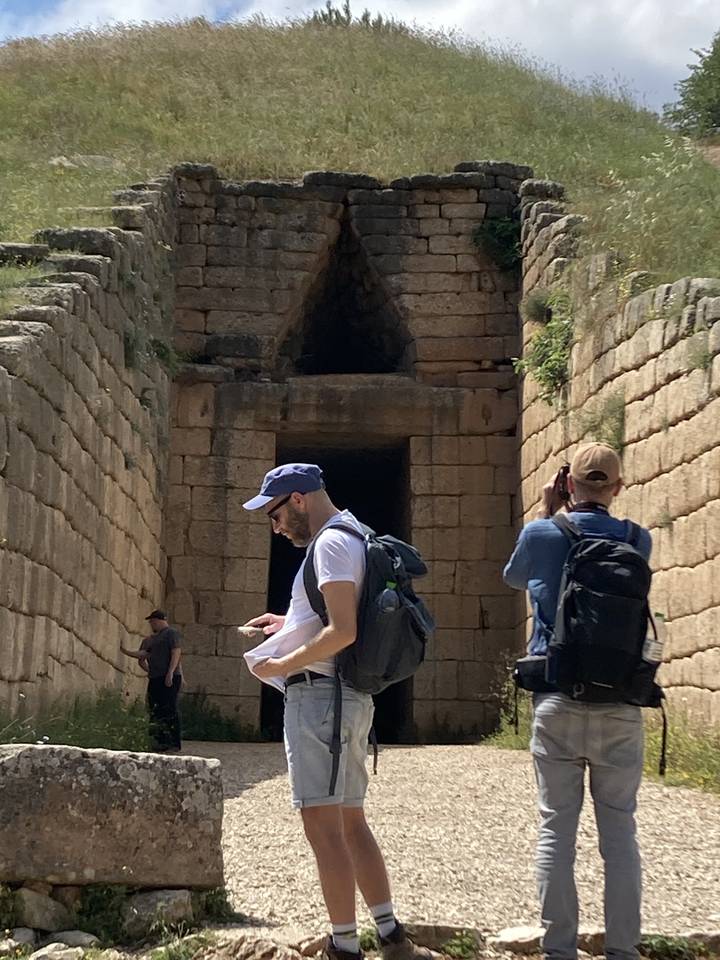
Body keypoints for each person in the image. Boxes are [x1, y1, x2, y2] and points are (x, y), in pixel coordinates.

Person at [242, 463, 431, 960]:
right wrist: (289, 621)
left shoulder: (328, 543)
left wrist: (280, 663)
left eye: (276, 514)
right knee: (351, 823)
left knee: (324, 828)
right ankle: (391, 937)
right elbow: (339, 617)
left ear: (299, 499)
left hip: (320, 699)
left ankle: (344, 946)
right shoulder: (355, 534)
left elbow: (343, 631)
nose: (275, 526)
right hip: (347, 699)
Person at [503, 443, 652, 960]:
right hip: (621, 702)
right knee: (620, 833)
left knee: (555, 830)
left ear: (568, 484)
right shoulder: (639, 539)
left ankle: (559, 950)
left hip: (557, 698)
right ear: (616, 486)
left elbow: (516, 578)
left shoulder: (543, 531)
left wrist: (548, 512)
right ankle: (624, 951)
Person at [121, 610, 183, 753]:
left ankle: (173, 743)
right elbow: (143, 655)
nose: (151, 624)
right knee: (155, 709)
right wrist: (125, 651)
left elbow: (176, 652)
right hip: (156, 677)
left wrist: (170, 672)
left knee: (169, 708)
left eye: (153, 621)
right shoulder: (151, 639)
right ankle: (158, 741)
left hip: (169, 676)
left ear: (159, 620)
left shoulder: (170, 634)